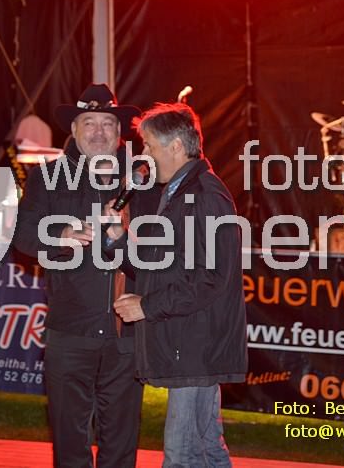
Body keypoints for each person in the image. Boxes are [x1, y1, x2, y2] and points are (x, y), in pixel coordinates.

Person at [13, 83, 147, 467]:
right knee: (69, 439)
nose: (99, 131)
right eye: (89, 122)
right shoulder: (47, 177)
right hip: (70, 330)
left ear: (119, 132)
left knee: (121, 439)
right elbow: (22, 235)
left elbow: (162, 247)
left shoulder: (142, 179)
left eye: (107, 123)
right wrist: (61, 234)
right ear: (73, 129)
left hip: (125, 333)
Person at [108, 102, 248, 467]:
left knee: (182, 454)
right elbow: (155, 265)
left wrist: (146, 306)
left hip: (196, 344)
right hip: (190, 343)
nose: (144, 155)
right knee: (206, 447)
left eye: (149, 146)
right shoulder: (176, 194)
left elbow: (211, 278)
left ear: (174, 146)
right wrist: (117, 237)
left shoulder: (204, 195)